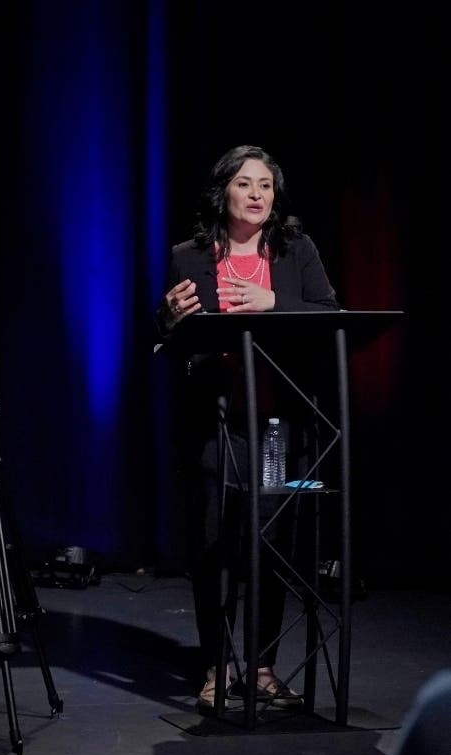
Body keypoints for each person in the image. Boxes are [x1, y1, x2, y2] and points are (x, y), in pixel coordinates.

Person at [153, 144, 339, 712]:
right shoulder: (189, 256)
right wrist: (169, 317)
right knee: (212, 543)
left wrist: (273, 302)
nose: (257, 194)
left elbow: (331, 315)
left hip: (277, 426)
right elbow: (167, 339)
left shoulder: (296, 251)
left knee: (270, 544)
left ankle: (259, 666)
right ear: (223, 192)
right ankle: (216, 665)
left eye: (266, 185)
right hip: (213, 423)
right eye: (245, 183)